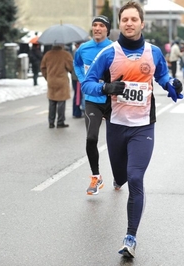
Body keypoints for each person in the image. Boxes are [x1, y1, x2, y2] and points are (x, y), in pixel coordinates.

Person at [81, 1, 183, 258]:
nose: (129, 23)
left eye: (133, 19)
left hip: (143, 128)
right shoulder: (108, 54)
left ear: (141, 23)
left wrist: (172, 84)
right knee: (122, 175)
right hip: (116, 126)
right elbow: (88, 84)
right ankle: (117, 178)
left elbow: (162, 76)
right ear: (120, 23)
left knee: (136, 179)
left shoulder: (154, 52)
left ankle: (130, 237)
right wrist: (106, 88)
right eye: (124, 19)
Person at [73, 15, 112, 195]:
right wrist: (84, 80)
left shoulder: (114, 48)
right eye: (94, 25)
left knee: (117, 142)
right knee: (91, 138)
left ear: (107, 30)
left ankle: (119, 175)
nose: (97, 28)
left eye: (101, 26)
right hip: (92, 100)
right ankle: (96, 177)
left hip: (112, 100)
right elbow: (77, 64)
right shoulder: (84, 48)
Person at [40, 44, 73, 128]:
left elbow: (43, 67)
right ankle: (60, 121)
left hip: (51, 80)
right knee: (61, 102)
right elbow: (70, 67)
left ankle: (51, 122)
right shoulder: (65, 54)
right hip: (62, 81)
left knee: (52, 102)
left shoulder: (48, 54)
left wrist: (47, 77)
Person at [71, 42, 84, 118]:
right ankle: (77, 111)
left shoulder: (74, 51)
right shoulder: (77, 51)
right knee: (78, 95)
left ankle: (76, 111)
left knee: (77, 94)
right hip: (77, 77)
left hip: (75, 76)